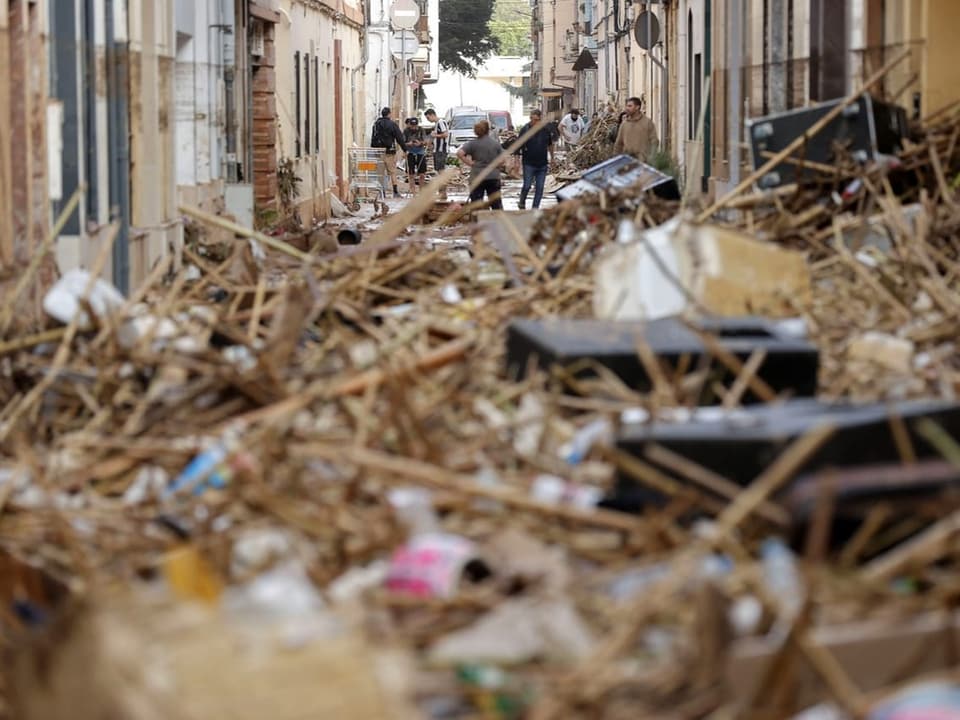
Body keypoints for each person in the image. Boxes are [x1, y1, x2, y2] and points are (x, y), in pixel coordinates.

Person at [457, 119, 504, 210]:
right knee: (496, 203)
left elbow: (460, 153)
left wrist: (470, 163)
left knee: (476, 204)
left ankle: (478, 222)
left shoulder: (472, 144)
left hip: (477, 176)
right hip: (493, 176)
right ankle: (498, 221)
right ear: (488, 130)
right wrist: (497, 165)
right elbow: (503, 159)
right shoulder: (495, 144)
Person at [514, 109, 554, 210]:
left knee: (540, 188)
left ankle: (535, 208)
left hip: (542, 164)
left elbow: (550, 144)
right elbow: (518, 145)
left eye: (537, 120)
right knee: (527, 185)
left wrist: (552, 158)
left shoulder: (545, 130)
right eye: (533, 119)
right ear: (530, 118)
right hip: (528, 163)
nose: (534, 122)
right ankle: (522, 201)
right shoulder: (525, 130)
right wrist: (517, 160)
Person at [370, 107, 408, 198]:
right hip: (389, 152)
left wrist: (374, 149)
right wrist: (405, 149)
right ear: (389, 114)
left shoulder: (376, 124)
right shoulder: (392, 124)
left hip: (379, 152)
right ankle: (395, 192)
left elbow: (373, 138)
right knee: (392, 172)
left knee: (380, 172)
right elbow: (399, 138)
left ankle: (381, 192)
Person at [614, 96, 659, 162]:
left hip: (643, 163)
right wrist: (616, 160)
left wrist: (651, 158)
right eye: (627, 106)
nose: (627, 108)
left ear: (637, 107)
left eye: (630, 106)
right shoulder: (624, 124)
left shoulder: (647, 123)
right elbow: (618, 144)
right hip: (627, 163)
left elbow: (654, 142)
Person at [424, 108, 448, 198]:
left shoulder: (441, 122)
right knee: (439, 170)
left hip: (441, 150)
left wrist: (435, 135)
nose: (428, 120)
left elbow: (445, 134)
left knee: (441, 171)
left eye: (428, 118)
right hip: (437, 150)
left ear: (432, 115)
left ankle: (443, 192)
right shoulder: (436, 124)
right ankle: (441, 191)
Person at [403, 117, 427, 194]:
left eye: (415, 125)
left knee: (422, 173)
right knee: (411, 174)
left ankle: (422, 191)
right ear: (409, 124)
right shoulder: (406, 131)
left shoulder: (421, 130)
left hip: (420, 152)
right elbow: (402, 143)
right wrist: (408, 144)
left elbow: (426, 141)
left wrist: (420, 143)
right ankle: (413, 191)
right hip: (410, 153)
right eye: (412, 125)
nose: (413, 127)